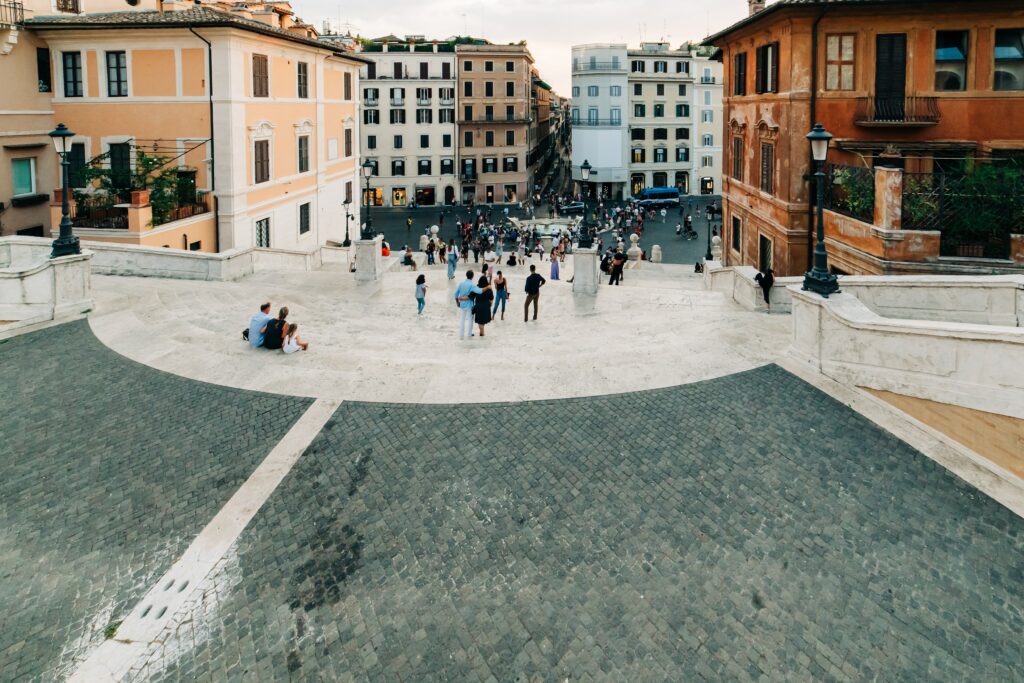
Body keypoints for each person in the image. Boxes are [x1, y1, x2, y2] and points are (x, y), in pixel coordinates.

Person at [454, 270, 483, 339]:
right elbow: (479, 291)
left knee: (462, 319)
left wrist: (457, 302)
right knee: (470, 319)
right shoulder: (472, 285)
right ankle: (469, 334)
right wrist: (487, 288)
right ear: (472, 276)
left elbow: (455, 294)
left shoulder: (461, 283)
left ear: (466, 275)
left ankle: (461, 334)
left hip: (462, 304)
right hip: (469, 305)